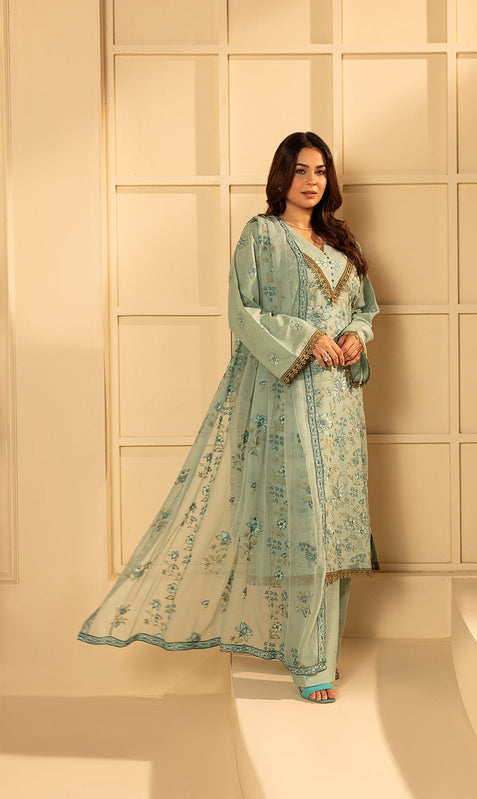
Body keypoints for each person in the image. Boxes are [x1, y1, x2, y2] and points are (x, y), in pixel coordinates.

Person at [78, 131, 380, 704]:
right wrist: (306, 336)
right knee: (307, 526)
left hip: (341, 405)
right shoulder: (261, 235)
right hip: (292, 399)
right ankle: (308, 661)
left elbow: (365, 308)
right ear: (282, 176)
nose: (311, 181)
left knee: (338, 530)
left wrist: (355, 336)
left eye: (320, 171)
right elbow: (243, 312)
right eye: (300, 170)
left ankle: (322, 654)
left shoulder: (343, 241)